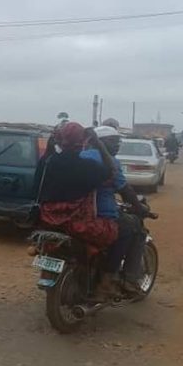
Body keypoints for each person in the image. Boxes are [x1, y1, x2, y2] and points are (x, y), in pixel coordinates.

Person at [37, 122, 119, 299]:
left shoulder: (47, 162)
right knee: (113, 233)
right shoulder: (87, 167)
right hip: (77, 224)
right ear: (82, 141)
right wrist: (99, 145)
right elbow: (111, 173)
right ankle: (105, 283)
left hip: (47, 220)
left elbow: (37, 184)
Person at [82, 126, 150, 293]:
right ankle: (113, 278)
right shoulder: (110, 162)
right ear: (101, 142)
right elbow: (125, 190)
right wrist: (139, 208)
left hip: (78, 212)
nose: (117, 145)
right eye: (113, 141)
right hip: (103, 214)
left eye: (118, 141)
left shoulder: (80, 156)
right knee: (133, 228)